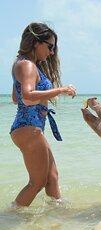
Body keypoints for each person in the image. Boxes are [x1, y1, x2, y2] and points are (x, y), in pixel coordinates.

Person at [10, 22, 76, 207]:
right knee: (36, 183)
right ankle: (12, 216)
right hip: (28, 129)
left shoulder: (23, 64)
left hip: (28, 129)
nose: (52, 52)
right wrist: (60, 90)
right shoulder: (28, 66)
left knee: (52, 177)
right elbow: (28, 97)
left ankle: (57, 214)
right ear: (36, 42)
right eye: (50, 46)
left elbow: (17, 98)